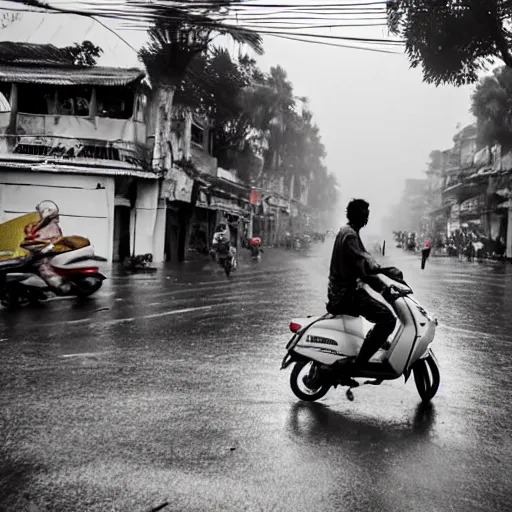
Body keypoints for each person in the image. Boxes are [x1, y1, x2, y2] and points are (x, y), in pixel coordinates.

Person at [303, 199, 397, 387]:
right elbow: (363, 262)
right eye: (365, 213)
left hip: (343, 292)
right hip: (346, 295)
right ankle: (360, 364)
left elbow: (362, 271)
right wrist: (377, 267)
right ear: (358, 215)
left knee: (380, 314)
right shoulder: (350, 236)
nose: (367, 217)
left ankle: (374, 346)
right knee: (388, 318)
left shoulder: (349, 232)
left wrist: (384, 288)